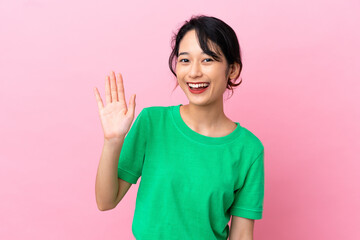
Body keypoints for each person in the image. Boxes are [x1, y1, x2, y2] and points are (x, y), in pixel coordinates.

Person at [94, 15, 264, 240]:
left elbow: (242, 235)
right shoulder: (152, 122)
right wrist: (113, 141)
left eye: (208, 60)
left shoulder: (248, 149)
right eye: (185, 60)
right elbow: (106, 201)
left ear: (232, 70)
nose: (194, 72)